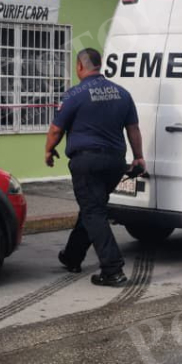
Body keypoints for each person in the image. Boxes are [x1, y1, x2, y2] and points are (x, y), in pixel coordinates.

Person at [45, 48, 145, 287]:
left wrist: (48, 150)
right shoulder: (122, 93)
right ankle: (72, 256)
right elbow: (133, 128)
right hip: (114, 164)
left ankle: (112, 269)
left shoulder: (75, 94)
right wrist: (139, 157)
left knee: (93, 211)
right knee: (93, 207)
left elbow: (56, 129)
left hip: (87, 162)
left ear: (80, 66)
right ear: (100, 66)